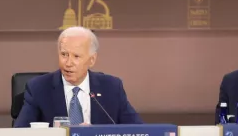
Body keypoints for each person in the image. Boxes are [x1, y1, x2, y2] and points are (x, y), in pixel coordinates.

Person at [14, 26, 142, 127]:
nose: (68, 63)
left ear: (92, 60)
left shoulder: (111, 87)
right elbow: (20, 132)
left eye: (76, 56)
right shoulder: (39, 88)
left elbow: (138, 131)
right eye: (64, 54)